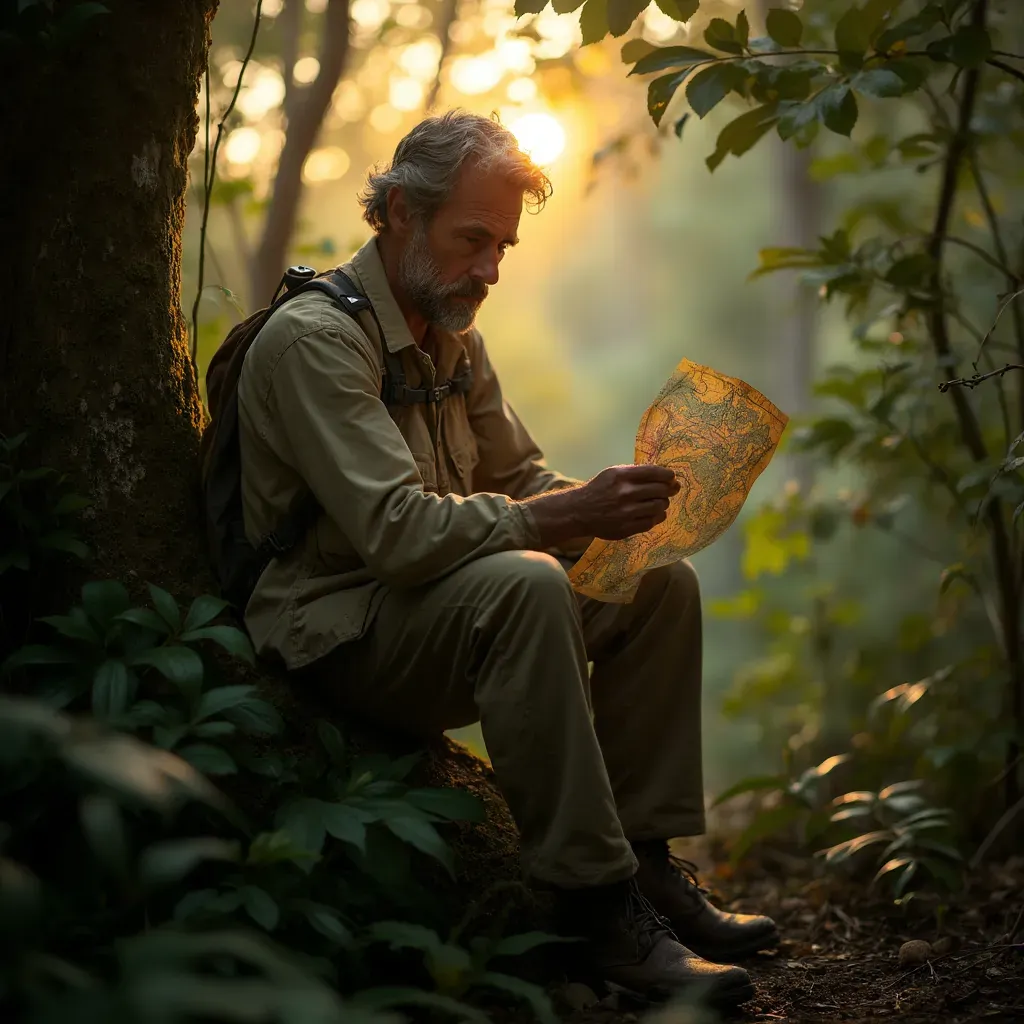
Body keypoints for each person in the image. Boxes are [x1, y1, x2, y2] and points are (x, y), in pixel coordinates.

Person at [237, 109, 777, 1007]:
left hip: (439, 607)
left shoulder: (452, 337)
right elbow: (401, 535)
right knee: (528, 586)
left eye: (504, 247)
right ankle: (594, 908)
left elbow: (522, 475)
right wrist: (566, 513)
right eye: (472, 239)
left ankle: (646, 864)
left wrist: (622, 509)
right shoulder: (317, 342)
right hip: (333, 631)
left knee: (657, 581)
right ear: (400, 213)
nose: (488, 269)